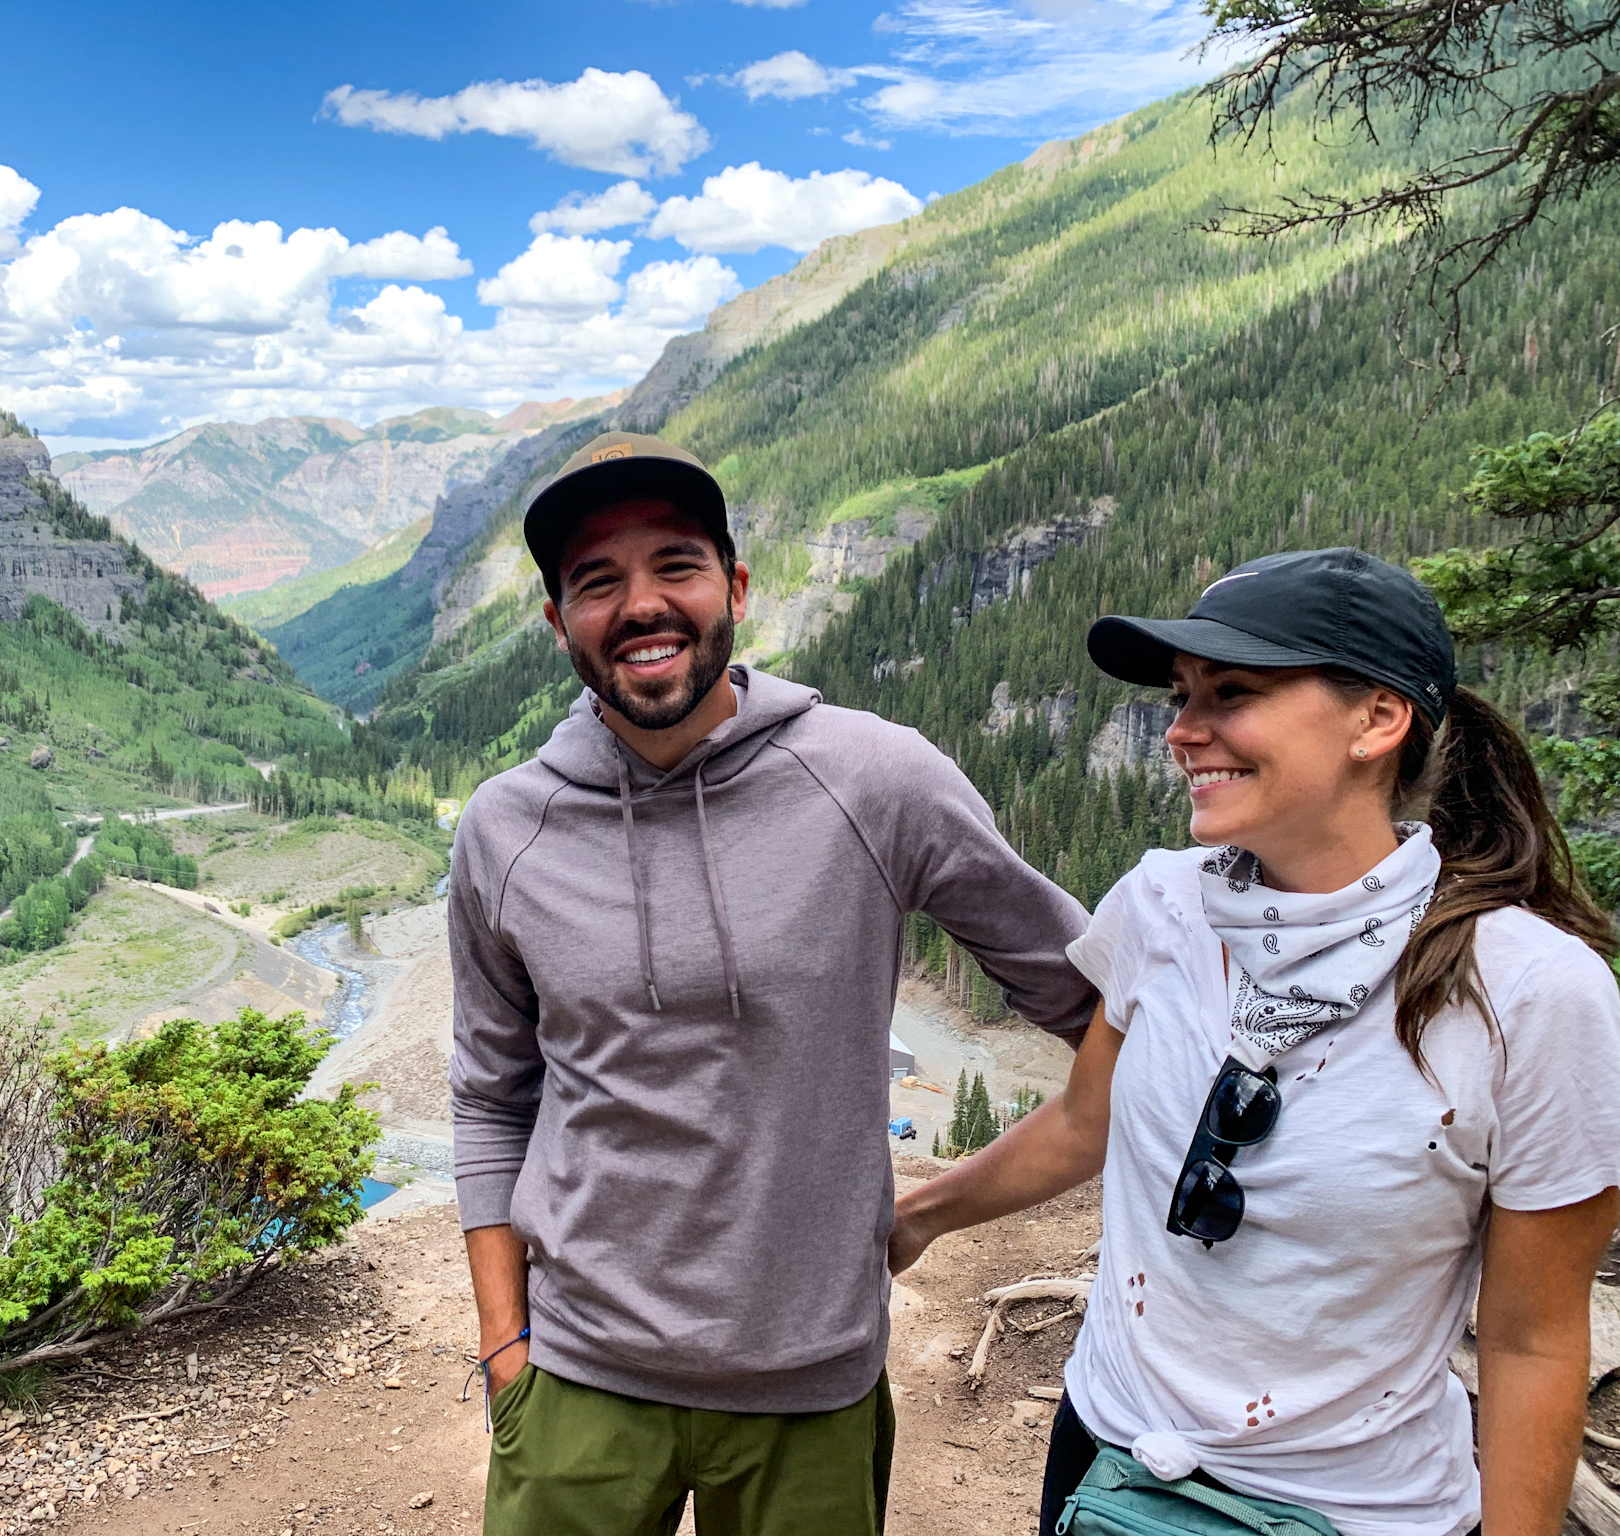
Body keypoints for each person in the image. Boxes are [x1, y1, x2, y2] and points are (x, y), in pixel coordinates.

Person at [889, 547, 1620, 1536]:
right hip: (1108, 1453)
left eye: (1228, 693)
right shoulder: (1158, 905)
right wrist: (915, 1219)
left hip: (1355, 1511)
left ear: (1376, 718)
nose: (1179, 732)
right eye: (1180, 696)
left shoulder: (1532, 993)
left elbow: (1533, 1341)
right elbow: (1081, 1122)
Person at [447, 431, 1098, 1536]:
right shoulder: (504, 828)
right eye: (596, 582)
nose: (641, 604)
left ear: (735, 589)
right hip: (577, 1383)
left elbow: (1090, 999)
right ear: (557, 623)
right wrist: (506, 1344)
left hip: (810, 1387)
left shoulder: (874, 779)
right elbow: (488, 1095)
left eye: (675, 566)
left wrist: (934, 1204)